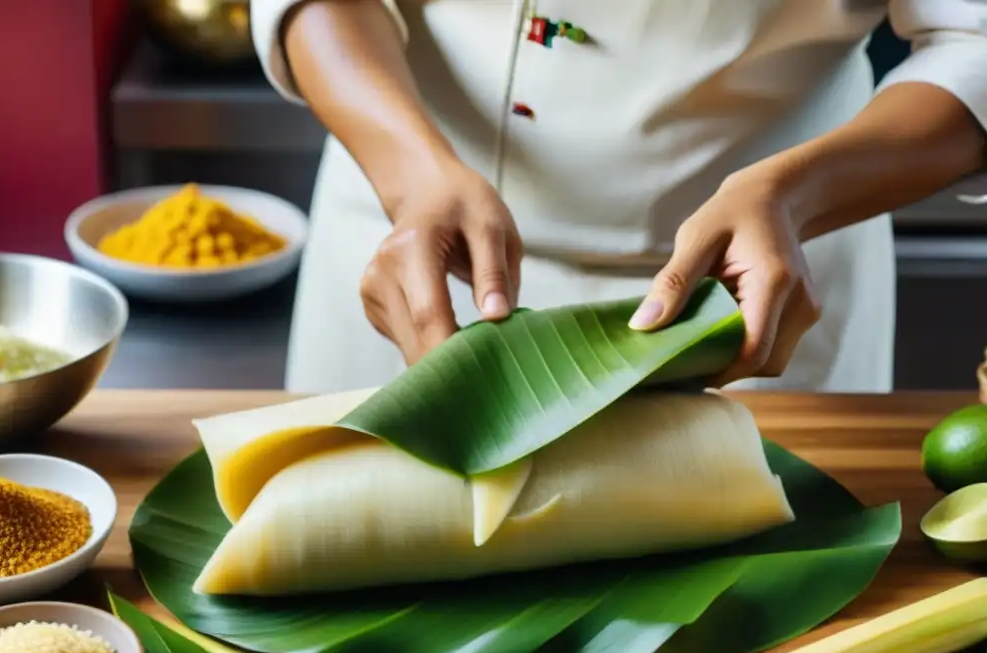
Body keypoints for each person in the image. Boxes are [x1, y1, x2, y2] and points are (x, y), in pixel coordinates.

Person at [251, 1, 987, 395]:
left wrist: (798, 193)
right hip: (407, 231)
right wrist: (410, 177)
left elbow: (973, 42)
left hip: (748, 281)